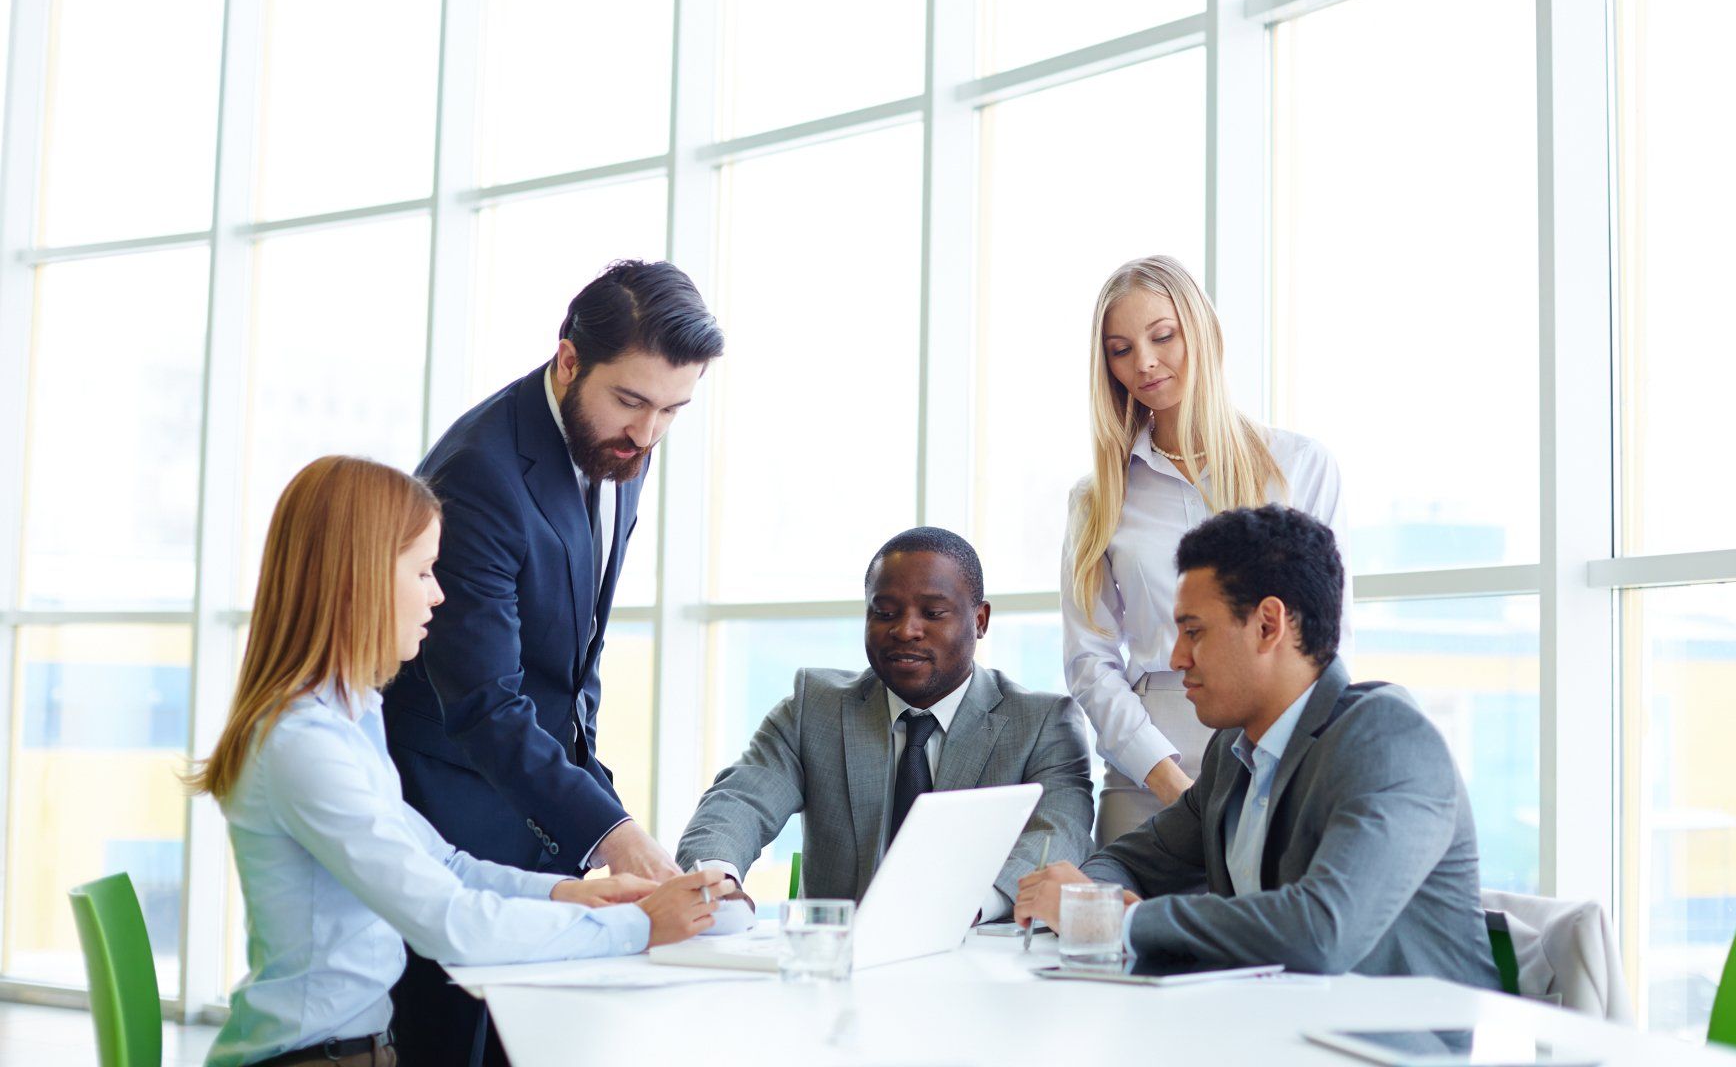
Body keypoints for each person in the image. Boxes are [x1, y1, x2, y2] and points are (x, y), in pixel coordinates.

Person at [189, 456, 724, 1067]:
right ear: (357, 579)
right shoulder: (303, 744)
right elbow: (448, 922)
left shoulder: (348, 718)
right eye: (422, 571)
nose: (438, 594)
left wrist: (575, 895)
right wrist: (641, 927)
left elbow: (444, 866)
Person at [381, 260, 724, 1065]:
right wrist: (609, 831)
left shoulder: (619, 449)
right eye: (631, 401)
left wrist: (596, 805)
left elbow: (573, 666)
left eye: (674, 410)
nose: (647, 435)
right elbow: (486, 704)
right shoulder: (480, 475)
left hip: (534, 801)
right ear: (568, 360)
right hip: (452, 801)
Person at [1019, 505, 1497, 987]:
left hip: (1406, 1048)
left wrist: (1116, 922)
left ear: (1269, 625)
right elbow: (1123, 861)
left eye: (1193, 631)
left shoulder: (1390, 741)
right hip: (1272, 1031)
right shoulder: (1233, 752)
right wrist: (1093, 903)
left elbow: (1321, 930)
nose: (1177, 658)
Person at [1064, 254, 1356, 846]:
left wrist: (1292, 762)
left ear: (1200, 330)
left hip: (1279, 756)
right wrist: (1168, 780)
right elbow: (1089, 660)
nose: (1143, 363)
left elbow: (1332, 634)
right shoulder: (1098, 497)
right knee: (1127, 935)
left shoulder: (1298, 467)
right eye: (1120, 349)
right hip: (1147, 764)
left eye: (1162, 336)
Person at [677, 527, 1093, 918]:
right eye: (885, 612)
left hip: (980, 957)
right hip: (839, 969)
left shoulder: (1041, 723)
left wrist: (967, 907)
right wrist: (718, 877)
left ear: (980, 620)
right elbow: (740, 800)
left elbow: (1057, 835)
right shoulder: (814, 709)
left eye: (932, 613)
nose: (905, 630)